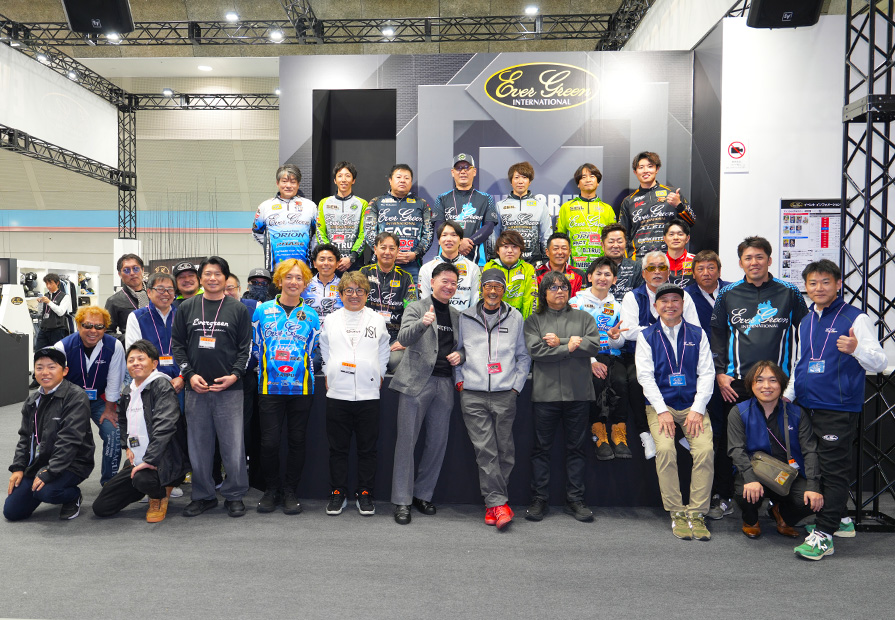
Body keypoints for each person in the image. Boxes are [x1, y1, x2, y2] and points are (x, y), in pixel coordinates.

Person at [785, 259, 888, 560]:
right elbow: (801, 362)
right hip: (806, 405)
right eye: (813, 283)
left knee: (833, 471)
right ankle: (840, 518)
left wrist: (856, 349)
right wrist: (789, 396)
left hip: (837, 407)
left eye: (825, 282)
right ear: (806, 287)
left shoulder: (856, 318)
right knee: (813, 464)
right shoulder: (806, 320)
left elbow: (880, 361)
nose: (819, 288)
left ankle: (824, 535)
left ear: (838, 284)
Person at [172, 256, 252, 518]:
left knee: (233, 446)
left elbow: (245, 348)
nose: (212, 278)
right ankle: (203, 495)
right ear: (200, 278)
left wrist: (235, 375)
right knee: (198, 445)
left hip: (230, 389)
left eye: (218, 274)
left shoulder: (238, 309)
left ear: (225, 278)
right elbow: (178, 346)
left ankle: (234, 494)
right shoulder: (187, 307)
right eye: (207, 273)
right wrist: (189, 375)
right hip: (196, 388)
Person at [635, 283, 715, 541]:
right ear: (655, 306)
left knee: (705, 451)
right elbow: (645, 377)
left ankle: (697, 512)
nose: (670, 305)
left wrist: (697, 410)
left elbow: (707, 374)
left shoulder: (698, 334)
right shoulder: (646, 336)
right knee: (666, 449)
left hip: (693, 405)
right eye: (664, 301)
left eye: (675, 300)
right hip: (661, 406)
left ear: (683, 304)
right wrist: (662, 411)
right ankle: (677, 512)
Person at [389, 263, 465, 525]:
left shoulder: (457, 315)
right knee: (406, 443)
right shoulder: (416, 308)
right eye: (445, 281)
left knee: (437, 443)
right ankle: (402, 500)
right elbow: (404, 338)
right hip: (415, 383)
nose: (449, 286)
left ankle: (423, 494)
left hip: (444, 384)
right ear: (432, 282)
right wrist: (422, 324)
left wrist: (461, 354)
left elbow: (465, 347)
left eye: (453, 283)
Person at [524, 271, 602, 523]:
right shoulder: (534, 320)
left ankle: (575, 499)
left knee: (577, 449)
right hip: (545, 396)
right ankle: (539, 499)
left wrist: (562, 342)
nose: (560, 291)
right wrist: (570, 347)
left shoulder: (584, 317)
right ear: (543, 292)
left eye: (564, 287)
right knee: (541, 450)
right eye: (554, 287)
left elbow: (594, 345)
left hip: (578, 394)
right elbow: (536, 352)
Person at [456, 269, 531, 530]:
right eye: (488, 286)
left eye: (497, 287)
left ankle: (494, 504)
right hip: (473, 394)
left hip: (505, 393)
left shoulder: (516, 317)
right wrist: (459, 380)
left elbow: (523, 356)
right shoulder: (465, 317)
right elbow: (457, 352)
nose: (492, 291)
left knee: (505, 451)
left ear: (504, 290)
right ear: (481, 289)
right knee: (485, 450)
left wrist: (516, 387)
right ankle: (498, 503)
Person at [92, 340, 190, 523]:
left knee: (143, 480)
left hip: (165, 459)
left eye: (141, 359)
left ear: (154, 363)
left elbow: (165, 426)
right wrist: (127, 446)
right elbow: (123, 421)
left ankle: (160, 494)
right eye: (131, 360)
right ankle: (145, 485)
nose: (135, 363)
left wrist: (150, 459)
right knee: (102, 506)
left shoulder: (162, 386)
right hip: (138, 457)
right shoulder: (129, 391)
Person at [251, 259, 320, 515]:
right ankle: (271, 490)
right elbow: (255, 346)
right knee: (269, 443)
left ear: (305, 283)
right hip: (269, 387)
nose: (293, 282)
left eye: (299, 278)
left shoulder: (311, 315)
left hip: (302, 388)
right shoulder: (262, 310)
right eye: (288, 277)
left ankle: (290, 490)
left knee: (297, 441)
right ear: (279, 281)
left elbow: (314, 350)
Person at [616, 251, 701, 459]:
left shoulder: (683, 296)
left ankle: (685, 431)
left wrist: (649, 330)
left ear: (668, 272)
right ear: (643, 273)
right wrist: (666, 329)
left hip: (678, 353)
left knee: (695, 374)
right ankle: (645, 433)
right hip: (639, 354)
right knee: (636, 380)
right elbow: (628, 332)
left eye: (662, 267)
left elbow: (695, 328)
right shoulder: (632, 296)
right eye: (651, 268)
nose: (657, 272)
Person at [319, 271, 390, 516]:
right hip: (338, 393)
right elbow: (324, 347)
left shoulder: (376, 319)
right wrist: (328, 372)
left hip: (369, 393)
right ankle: (338, 492)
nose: (354, 295)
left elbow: (384, 349)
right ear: (340, 294)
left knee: (367, 449)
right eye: (348, 290)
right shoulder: (331, 320)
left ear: (367, 294)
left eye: (360, 290)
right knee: (337, 449)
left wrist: (380, 374)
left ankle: (365, 492)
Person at [728, 360, 823, 542]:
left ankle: (781, 514)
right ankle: (751, 520)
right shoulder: (739, 411)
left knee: (812, 499)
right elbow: (736, 449)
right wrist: (750, 479)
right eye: (760, 380)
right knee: (745, 493)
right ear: (751, 384)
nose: (766, 386)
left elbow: (810, 451)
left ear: (782, 384)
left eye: (773, 380)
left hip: (788, 474)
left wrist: (813, 486)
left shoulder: (797, 413)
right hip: (755, 472)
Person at [712, 236, 808, 406]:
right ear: (741, 263)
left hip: (778, 381)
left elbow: (806, 333)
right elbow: (717, 335)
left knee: (778, 424)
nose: (754, 263)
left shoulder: (790, 292)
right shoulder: (726, 293)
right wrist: (720, 372)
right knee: (737, 424)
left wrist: (798, 374)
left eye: (759, 257)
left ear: (769, 260)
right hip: (737, 383)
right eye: (748, 258)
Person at [5, 348, 94, 521]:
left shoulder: (76, 397)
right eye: (39, 368)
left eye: (51, 367)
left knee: (46, 492)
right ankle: (45, 483)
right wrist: (18, 467)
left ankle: (73, 496)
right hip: (40, 461)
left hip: (72, 463)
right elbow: (25, 437)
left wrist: (49, 472)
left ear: (65, 371)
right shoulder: (32, 400)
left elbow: (69, 441)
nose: (45, 372)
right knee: (12, 512)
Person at [683, 250, 734, 521]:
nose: (706, 273)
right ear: (693, 273)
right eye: (700, 268)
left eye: (711, 267)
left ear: (719, 270)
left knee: (732, 434)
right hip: (703, 374)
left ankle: (728, 493)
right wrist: (713, 372)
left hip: (734, 373)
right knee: (710, 435)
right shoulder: (685, 296)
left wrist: (725, 371)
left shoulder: (734, 292)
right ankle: (711, 494)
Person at [54, 306, 125, 486]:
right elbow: (53, 382)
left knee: (113, 434)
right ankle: (60, 480)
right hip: (70, 402)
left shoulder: (114, 346)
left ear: (105, 328)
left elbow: (114, 380)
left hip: (101, 400)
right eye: (87, 325)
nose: (93, 331)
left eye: (99, 326)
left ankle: (109, 482)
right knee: (64, 437)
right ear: (78, 325)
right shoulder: (62, 347)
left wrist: (110, 409)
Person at [569, 257, 632, 460]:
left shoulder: (618, 306)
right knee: (596, 383)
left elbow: (620, 343)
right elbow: (572, 336)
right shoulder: (576, 302)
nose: (602, 278)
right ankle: (599, 435)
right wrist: (591, 362)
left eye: (607, 274)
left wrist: (614, 338)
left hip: (612, 355)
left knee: (621, 382)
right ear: (589, 277)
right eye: (598, 273)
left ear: (614, 279)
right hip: (585, 356)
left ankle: (619, 434)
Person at [619, 151, 696, 258]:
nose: (645, 170)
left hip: (669, 257)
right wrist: (628, 261)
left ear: (657, 169)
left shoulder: (673, 194)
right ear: (635, 172)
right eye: (641, 167)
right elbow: (623, 235)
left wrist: (679, 205)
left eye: (650, 166)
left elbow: (692, 221)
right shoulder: (628, 201)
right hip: (639, 259)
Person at [364, 164, 433, 282]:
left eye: (407, 178)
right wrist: (388, 253)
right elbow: (369, 232)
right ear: (390, 180)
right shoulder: (376, 202)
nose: (402, 180)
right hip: (382, 264)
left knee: (413, 295)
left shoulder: (422, 204)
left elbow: (429, 233)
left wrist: (416, 254)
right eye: (399, 177)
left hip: (412, 264)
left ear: (411, 181)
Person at [432, 153, 498, 266]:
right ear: (452, 172)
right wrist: (458, 243)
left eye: (467, 167)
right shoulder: (441, 198)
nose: (463, 171)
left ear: (474, 171)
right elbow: (439, 227)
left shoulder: (486, 198)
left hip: (477, 260)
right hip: (446, 260)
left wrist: (469, 242)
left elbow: (489, 227)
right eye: (458, 168)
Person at [252, 163, 317, 273]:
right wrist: (270, 246)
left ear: (298, 184)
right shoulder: (265, 206)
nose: (288, 185)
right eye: (284, 181)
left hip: (304, 268)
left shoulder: (310, 206)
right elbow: (256, 232)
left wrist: (311, 250)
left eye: (293, 182)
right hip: (275, 269)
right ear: (277, 183)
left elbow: (317, 234)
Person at [555, 163, 617, 270]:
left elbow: (613, 240)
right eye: (583, 177)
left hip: (601, 267)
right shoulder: (567, 207)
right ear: (578, 184)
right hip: (573, 267)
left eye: (592, 176)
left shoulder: (607, 209)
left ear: (597, 182)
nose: (588, 180)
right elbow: (559, 238)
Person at [494, 161, 552, 264]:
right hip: (507, 262)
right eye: (516, 177)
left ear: (530, 181)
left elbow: (546, 235)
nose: (520, 181)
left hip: (534, 262)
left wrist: (547, 261)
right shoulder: (500, 206)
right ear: (511, 181)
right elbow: (494, 236)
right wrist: (494, 258)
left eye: (524, 177)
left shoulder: (540, 205)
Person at [316, 161, 369, 273]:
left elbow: (364, 233)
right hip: (331, 263)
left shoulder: (362, 203)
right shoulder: (324, 203)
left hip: (355, 263)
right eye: (340, 176)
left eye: (348, 176)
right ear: (335, 180)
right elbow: (320, 232)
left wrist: (352, 258)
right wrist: (331, 256)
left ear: (353, 180)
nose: (343, 179)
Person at [418, 221, 481, 310]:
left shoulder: (473, 268)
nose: (449, 239)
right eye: (444, 235)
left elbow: (475, 301)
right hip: (434, 317)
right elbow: (424, 302)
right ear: (439, 241)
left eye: (453, 235)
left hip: (464, 317)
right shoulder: (426, 268)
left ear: (461, 241)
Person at [483, 230, 538, 319]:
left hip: (519, 320)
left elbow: (531, 300)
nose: (510, 251)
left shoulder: (528, 269)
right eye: (505, 247)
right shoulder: (489, 267)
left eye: (514, 247)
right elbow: (483, 296)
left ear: (520, 250)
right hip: (493, 320)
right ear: (497, 250)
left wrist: (527, 323)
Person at [105, 253, 149, 341]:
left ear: (142, 270)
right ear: (120, 274)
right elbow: (107, 333)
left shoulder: (156, 294)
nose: (132, 273)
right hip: (131, 346)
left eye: (136, 268)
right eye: (126, 270)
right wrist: (130, 338)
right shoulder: (114, 301)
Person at [601, 223, 644, 300]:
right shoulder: (595, 267)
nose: (616, 245)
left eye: (620, 242)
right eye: (611, 242)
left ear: (625, 244)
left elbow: (641, 297)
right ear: (602, 245)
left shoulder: (637, 267)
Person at [535, 232, 586, 297]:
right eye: (555, 249)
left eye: (564, 248)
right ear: (547, 252)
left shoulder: (579, 275)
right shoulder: (537, 275)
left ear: (569, 252)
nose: (560, 252)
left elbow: (581, 299)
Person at [34, 273, 72, 350]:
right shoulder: (46, 295)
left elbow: (61, 312)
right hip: (44, 328)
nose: (48, 286)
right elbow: (41, 312)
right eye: (47, 283)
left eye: (51, 283)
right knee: (39, 351)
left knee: (56, 352)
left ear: (57, 283)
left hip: (57, 329)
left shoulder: (65, 296)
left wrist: (49, 302)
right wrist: (40, 303)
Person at [664, 219, 695, 288]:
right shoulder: (659, 262)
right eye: (671, 234)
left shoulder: (696, 261)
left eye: (680, 234)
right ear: (664, 239)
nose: (675, 238)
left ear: (687, 238)